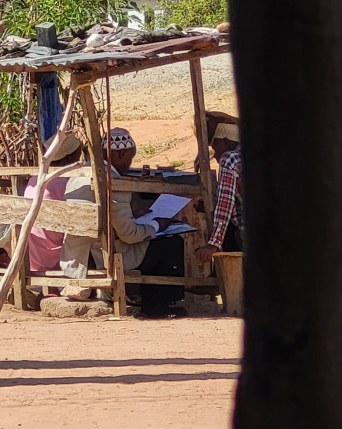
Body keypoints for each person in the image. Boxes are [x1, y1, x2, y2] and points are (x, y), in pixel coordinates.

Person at [59, 128, 185, 317]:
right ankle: (157, 305)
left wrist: (132, 213)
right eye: (129, 158)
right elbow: (129, 234)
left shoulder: (78, 175)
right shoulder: (113, 180)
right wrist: (157, 224)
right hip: (104, 255)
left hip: (79, 256)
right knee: (171, 243)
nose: (128, 164)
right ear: (122, 153)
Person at [22, 134, 83, 272]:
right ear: (69, 159)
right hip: (58, 258)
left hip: (33, 254)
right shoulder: (68, 182)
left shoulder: (34, 180)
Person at [195, 123, 243, 265]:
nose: (215, 155)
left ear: (227, 142)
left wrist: (213, 243)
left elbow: (225, 203)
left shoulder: (230, 158)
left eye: (216, 149)